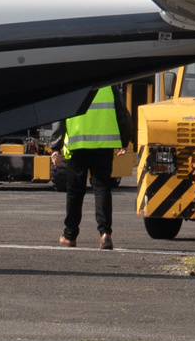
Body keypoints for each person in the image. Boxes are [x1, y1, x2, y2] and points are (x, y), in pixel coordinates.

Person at [48, 85, 135, 249]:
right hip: (104, 145)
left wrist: (55, 147)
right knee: (102, 188)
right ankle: (105, 234)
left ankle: (70, 235)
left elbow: (59, 117)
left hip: (78, 145)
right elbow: (123, 115)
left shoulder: (73, 86)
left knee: (75, 191)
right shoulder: (110, 86)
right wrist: (124, 140)